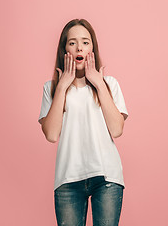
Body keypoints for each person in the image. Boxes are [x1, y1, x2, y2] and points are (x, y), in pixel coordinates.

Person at [38, 18, 129, 226]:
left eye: (85, 42)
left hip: (106, 178)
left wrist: (98, 82)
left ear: (92, 49)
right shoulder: (51, 88)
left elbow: (116, 129)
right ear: (65, 50)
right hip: (68, 181)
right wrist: (62, 86)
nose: (79, 46)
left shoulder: (109, 84)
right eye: (72, 42)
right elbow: (51, 135)